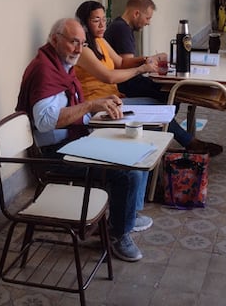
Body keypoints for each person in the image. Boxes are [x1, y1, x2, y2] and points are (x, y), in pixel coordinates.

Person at [73, 0, 219, 231]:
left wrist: (146, 59)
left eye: (103, 19)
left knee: (158, 111)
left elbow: (121, 62)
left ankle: (138, 201)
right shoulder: (84, 49)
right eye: (95, 20)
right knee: (155, 117)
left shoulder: (100, 41)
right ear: (84, 23)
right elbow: (110, 76)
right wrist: (141, 69)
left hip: (115, 101)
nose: (101, 25)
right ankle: (137, 203)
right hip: (99, 108)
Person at [16, 17, 145, 261]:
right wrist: (89, 107)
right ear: (55, 40)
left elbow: (71, 108)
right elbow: (45, 121)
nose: (79, 49)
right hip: (54, 155)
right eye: (73, 42)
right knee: (128, 173)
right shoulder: (44, 70)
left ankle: (119, 220)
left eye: (83, 44)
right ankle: (119, 234)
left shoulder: (60, 65)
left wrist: (100, 110)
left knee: (134, 151)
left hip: (72, 141)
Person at [104, 0, 223, 156]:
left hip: (127, 79)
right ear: (136, 13)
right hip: (124, 83)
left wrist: (149, 60)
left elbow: (124, 62)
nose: (148, 22)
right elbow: (125, 63)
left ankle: (174, 135)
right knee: (171, 95)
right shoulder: (122, 29)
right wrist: (149, 61)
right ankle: (182, 139)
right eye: (147, 18)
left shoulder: (119, 26)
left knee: (172, 93)